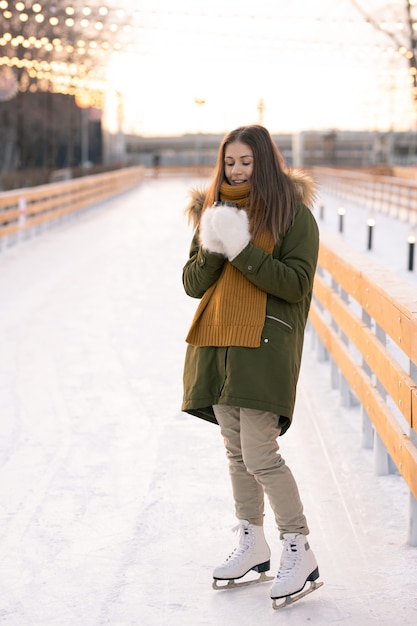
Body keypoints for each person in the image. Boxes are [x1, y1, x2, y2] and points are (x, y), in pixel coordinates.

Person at [181, 124, 320, 605]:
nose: (236, 170)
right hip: (217, 344)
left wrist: (243, 250)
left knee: (261, 455)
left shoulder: (291, 215)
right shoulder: (212, 212)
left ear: (265, 162)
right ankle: (252, 541)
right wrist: (217, 247)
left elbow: (296, 284)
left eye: (246, 161)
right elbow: (193, 283)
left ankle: (298, 548)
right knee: (237, 454)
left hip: (263, 347)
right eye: (230, 162)